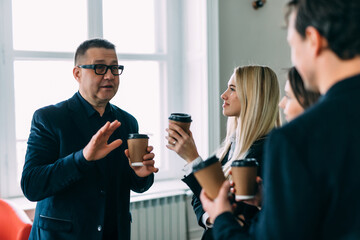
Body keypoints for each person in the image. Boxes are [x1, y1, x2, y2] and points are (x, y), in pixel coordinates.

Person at [200, 0, 360, 239]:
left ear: (313, 40)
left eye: (292, 45)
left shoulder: (296, 139)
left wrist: (222, 217)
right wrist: (271, 200)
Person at [21, 38, 159, 240]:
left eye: (114, 68)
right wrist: (83, 158)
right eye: (100, 68)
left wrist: (141, 174)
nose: (110, 76)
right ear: (77, 73)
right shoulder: (49, 118)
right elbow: (31, 186)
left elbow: (138, 186)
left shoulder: (128, 122)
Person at [166, 65, 281, 239]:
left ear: (253, 97)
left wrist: (192, 159)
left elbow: (238, 211)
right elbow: (202, 198)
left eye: (232, 89)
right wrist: (211, 218)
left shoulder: (267, 153)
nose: (223, 94)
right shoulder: (231, 146)